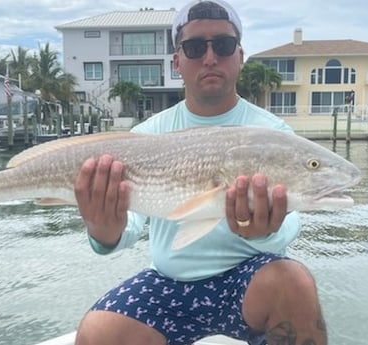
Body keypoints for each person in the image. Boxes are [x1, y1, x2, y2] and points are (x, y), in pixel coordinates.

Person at [73, 1, 327, 344]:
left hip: (249, 279)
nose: (210, 58)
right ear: (177, 60)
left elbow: (292, 220)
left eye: (223, 45)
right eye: (194, 47)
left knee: (294, 284)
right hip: (168, 282)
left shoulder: (273, 133)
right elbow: (129, 225)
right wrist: (105, 232)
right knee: (98, 332)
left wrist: (265, 232)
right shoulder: (145, 136)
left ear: (239, 56)